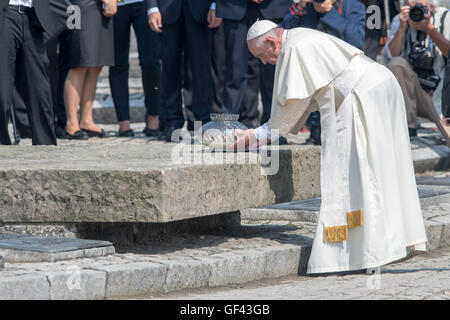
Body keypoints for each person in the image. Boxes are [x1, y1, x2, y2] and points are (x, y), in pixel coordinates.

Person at [234, 20, 427, 274]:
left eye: (262, 55)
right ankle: (388, 242)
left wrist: (258, 135)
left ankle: (361, 251)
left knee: (355, 175)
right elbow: (306, 99)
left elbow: (294, 105)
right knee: (384, 169)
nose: (263, 61)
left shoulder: (294, 48)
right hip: (378, 86)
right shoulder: (299, 37)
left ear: (272, 42)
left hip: (360, 96)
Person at [281, 0, 366, 145]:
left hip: (343, 69)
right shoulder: (308, 7)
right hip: (312, 69)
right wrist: (300, 7)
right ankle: (314, 130)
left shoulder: (354, 7)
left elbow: (356, 40)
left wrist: (330, 12)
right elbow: (282, 34)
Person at [145, 0, 221, 142]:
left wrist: (216, 5)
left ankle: (203, 122)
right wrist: (152, 8)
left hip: (202, 10)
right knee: (169, 67)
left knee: (202, 68)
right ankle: (171, 123)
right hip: (166, 9)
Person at [381, 0, 450, 145]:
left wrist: (429, 29)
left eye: (420, 3)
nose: (415, 7)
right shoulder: (401, 20)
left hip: (441, 93)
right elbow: (392, 57)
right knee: (397, 64)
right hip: (414, 91)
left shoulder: (444, 17)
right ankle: (408, 125)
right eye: (410, 2)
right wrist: (401, 29)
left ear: (432, 5)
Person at [216, 0, 292, 128]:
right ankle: (227, 126)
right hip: (235, 7)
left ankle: (274, 127)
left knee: (273, 71)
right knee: (234, 70)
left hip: (273, 6)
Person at [0, 0, 57, 145]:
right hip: (6, 14)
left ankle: (46, 145)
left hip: (32, 16)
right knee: (2, 86)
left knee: (40, 88)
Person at [61, 0, 117, 140]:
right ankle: (71, 123)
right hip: (82, 5)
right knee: (80, 63)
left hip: (100, 7)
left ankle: (86, 120)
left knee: (95, 65)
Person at [109, 0, 161, 137]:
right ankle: (123, 123)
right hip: (115, 6)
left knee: (151, 62)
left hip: (144, 4)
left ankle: (153, 118)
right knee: (117, 64)